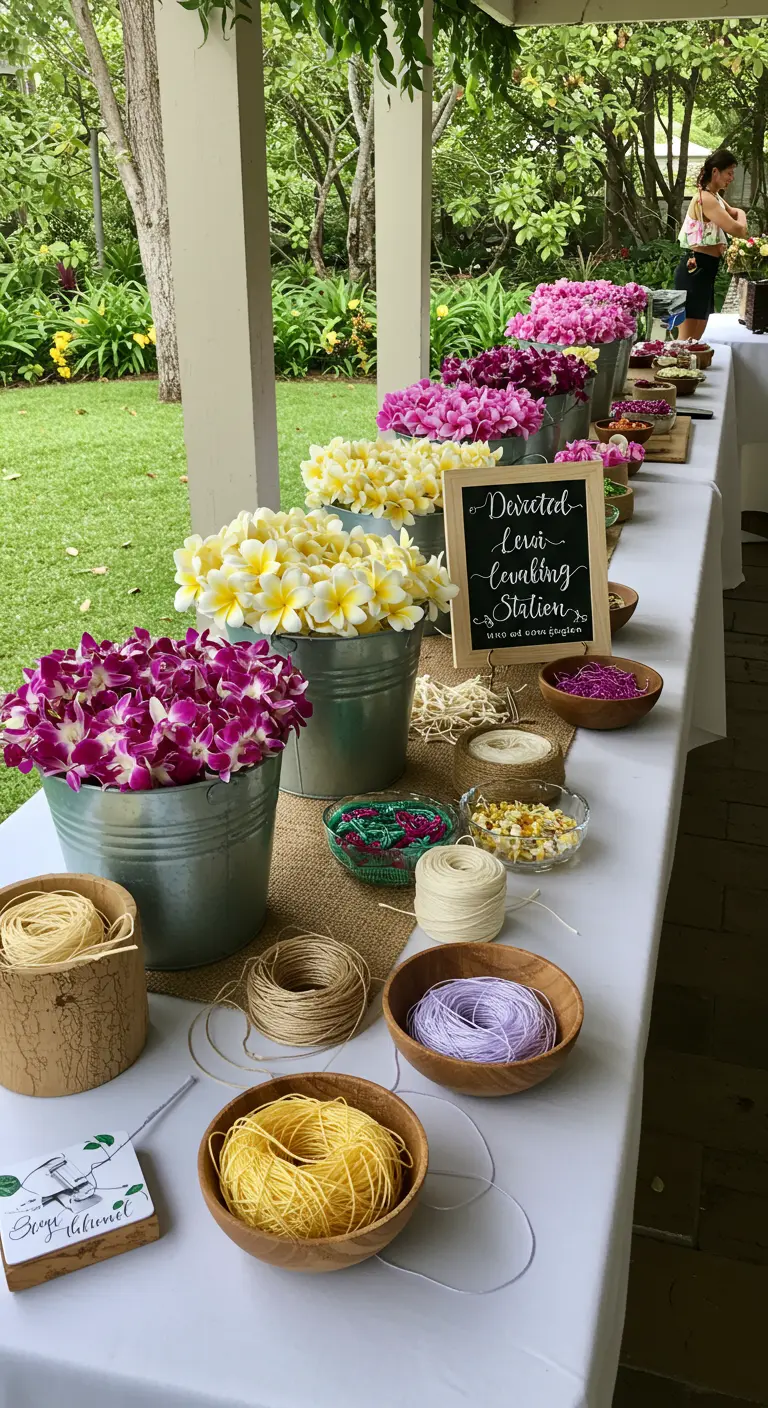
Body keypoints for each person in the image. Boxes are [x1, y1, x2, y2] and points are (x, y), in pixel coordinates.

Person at [674, 148, 747, 341]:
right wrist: (743, 214)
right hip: (695, 269)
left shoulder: (714, 197)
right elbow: (739, 229)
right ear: (715, 172)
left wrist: (737, 213)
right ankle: (672, 369)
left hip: (706, 268)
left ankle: (689, 368)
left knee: (697, 337)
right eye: (729, 173)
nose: (731, 178)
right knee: (686, 338)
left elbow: (732, 214)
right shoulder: (705, 199)